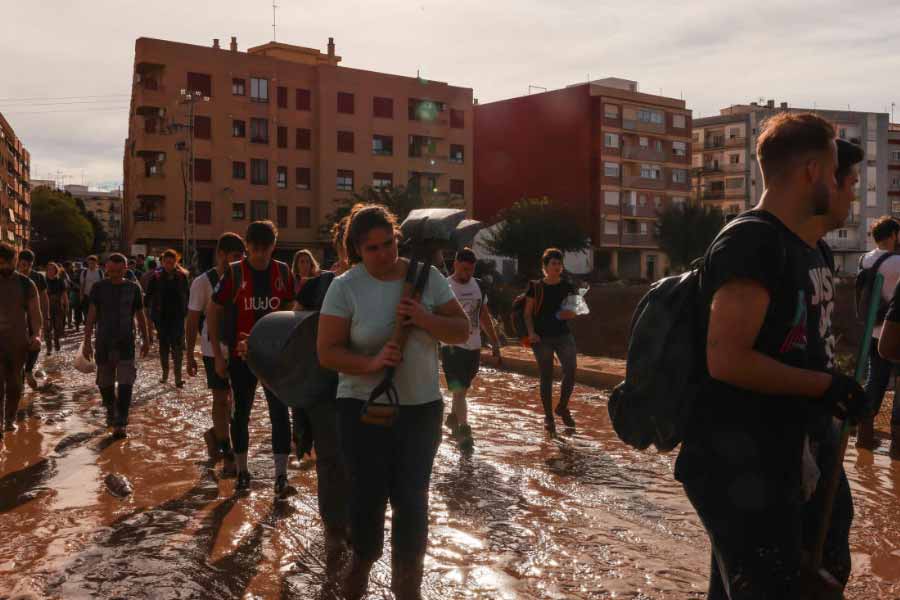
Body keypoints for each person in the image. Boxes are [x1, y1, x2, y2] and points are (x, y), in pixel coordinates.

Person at [673, 113, 871, 598]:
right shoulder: (752, 242)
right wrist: (827, 387)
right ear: (811, 172)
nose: (838, 183)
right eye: (832, 171)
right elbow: (728, 359)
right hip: (743, 464)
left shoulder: (814, 251)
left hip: (794, 453)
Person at [318, 204, 468, 599]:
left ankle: (408, 586)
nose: (384, 254)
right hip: (361, 408)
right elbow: (327, 353)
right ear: (356, 250)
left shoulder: (427, 278)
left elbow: (460, 329)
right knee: (367, 498)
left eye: (389, 244)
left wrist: (424, 317)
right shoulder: (345, 287)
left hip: (420, 409)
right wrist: (370, 362)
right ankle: (361, 568)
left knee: (413, 499)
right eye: (373, 248)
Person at [208, 220, 296, 495]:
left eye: (265, 248)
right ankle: (243, 471)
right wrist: (219, 356)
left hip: (274, 360)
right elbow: (213, 310)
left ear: (274, 246)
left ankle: (281, 476)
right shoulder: (234, 274)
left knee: (280, 414)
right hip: (241, 356)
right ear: (246, 246)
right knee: (240, 413)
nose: (259, 254)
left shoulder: (283, 272)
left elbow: (290, 309)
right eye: (254, 248)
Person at [291, 219, 350, 574]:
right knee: (330, 458)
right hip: (326, 386)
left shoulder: (388, 285)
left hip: (369, 385)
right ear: (341, 249)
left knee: (363, 460)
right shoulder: (318, 286)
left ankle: (358, 522)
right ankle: (334, 529)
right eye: (349, 244)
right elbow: (294, 326)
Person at [186, 232, 246, 477]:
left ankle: (217, 435)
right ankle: (227, 451)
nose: (237, 261)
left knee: (239, 404)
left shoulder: (245, 278)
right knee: (221, 399)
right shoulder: (202, 282)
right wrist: (189, 353)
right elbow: (191, 321)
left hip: (241, 350)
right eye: (233, 256)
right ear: (221, 254)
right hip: (213, 351)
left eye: (241, 257)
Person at [82, 253, 150, 439]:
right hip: (103, 341)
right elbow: (91, 316)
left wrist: (146, 338)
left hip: (126, 341)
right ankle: (111, 410)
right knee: (104, 382)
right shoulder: (98, 288)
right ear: (106, 269)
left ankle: (121, 422)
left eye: (118, 272)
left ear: (125, 270)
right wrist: (87, 342)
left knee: (126, 382)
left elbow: (140, 314)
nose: (114, 275)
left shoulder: (133, 288)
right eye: (111, 271)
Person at [441, 247, 502, 450]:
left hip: (474, 346)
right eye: (464, 269)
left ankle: (452, 418)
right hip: (451, 346)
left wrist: (494, 341)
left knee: (463, 389)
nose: (467, 273)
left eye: (471, 270)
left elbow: (483, 315)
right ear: (455, 264)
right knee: (459, 390)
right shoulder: (444, 286)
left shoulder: (479, 286)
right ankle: (464, 430)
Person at [524, 248, 579, 432]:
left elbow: (573, 311)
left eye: (559, 263)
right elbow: (527, 314)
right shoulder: (535, 286)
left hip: (563, 335)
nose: (556, 266)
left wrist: (569, 313)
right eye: (553, 263)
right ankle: (548, 417)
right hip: (541, 338)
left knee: (570, 370)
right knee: (546, 376)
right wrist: (531, 333)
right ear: (545, 266)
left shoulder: (568, 286)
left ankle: (562, 407)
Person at [857, 216, 900, 449]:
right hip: (895, 334)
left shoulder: (865, 259)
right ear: (894, 235)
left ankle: (863, 436)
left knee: (875, 381)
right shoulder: (897, 263)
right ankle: (897, 444)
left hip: (872, 333)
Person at [0, 243, 42, 437]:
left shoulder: (26, 284)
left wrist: (36, 334)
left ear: (14, 261)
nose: (4, 267)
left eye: (7, 262)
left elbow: (35, 313)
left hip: (17, 342)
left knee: (15, 384)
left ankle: (9, 419)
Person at [145, 249, 190, 387]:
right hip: (161, 318)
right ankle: (165, 373)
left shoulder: (182, 277)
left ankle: (178, 377)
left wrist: (187, 312)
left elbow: (187, 295)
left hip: (177, 317)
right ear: (162, 262)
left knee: (177, 347)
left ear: (176, 262)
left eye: (172, 262)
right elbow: (148, 296)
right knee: (164, 347)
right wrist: (148, 316)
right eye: (166, 262)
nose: (169, 265)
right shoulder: (156, 277)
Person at [17, 249, 49, 389]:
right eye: (22, 264)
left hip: (34, 317)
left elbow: (44, 297)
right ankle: (20, 377)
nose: (24, 268)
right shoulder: (12, 277)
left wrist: (46, 317)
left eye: (27, 265)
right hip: (16, 319)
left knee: (35, 345)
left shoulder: (37, 278)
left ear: (32, 264)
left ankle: (28, 369)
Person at [44, 262, 69, 354]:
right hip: (46, 306)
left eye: (52, 269)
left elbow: (64, 294)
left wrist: (67, 306)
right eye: (49, 269)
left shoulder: (60, 281)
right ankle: (49, 348)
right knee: (47, 328)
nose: (50, 271)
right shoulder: (43, 280)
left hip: (58, 306)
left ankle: (57, 343)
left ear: (56, 270)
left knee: (57, 327)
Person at [80, 255, 104, 326]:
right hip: (87, 296)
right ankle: (88, 327)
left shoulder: (100, 272)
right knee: (87, 313)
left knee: (97, 314)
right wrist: (81, 296)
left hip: (97, 296)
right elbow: (82, 285)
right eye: (90, 263)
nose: (91, 264)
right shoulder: (84, 272)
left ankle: (96, 327)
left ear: (96, 263)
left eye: (93, 263)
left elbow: (102, 284)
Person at [65, 261, 82, 331]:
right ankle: (70, 323)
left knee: (75, 309)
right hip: (69, 292)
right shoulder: (65, 273)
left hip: (74, 292)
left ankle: (75, 323)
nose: (73, 266)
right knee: (70, 309)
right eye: (71, 265)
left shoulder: (75, 272)